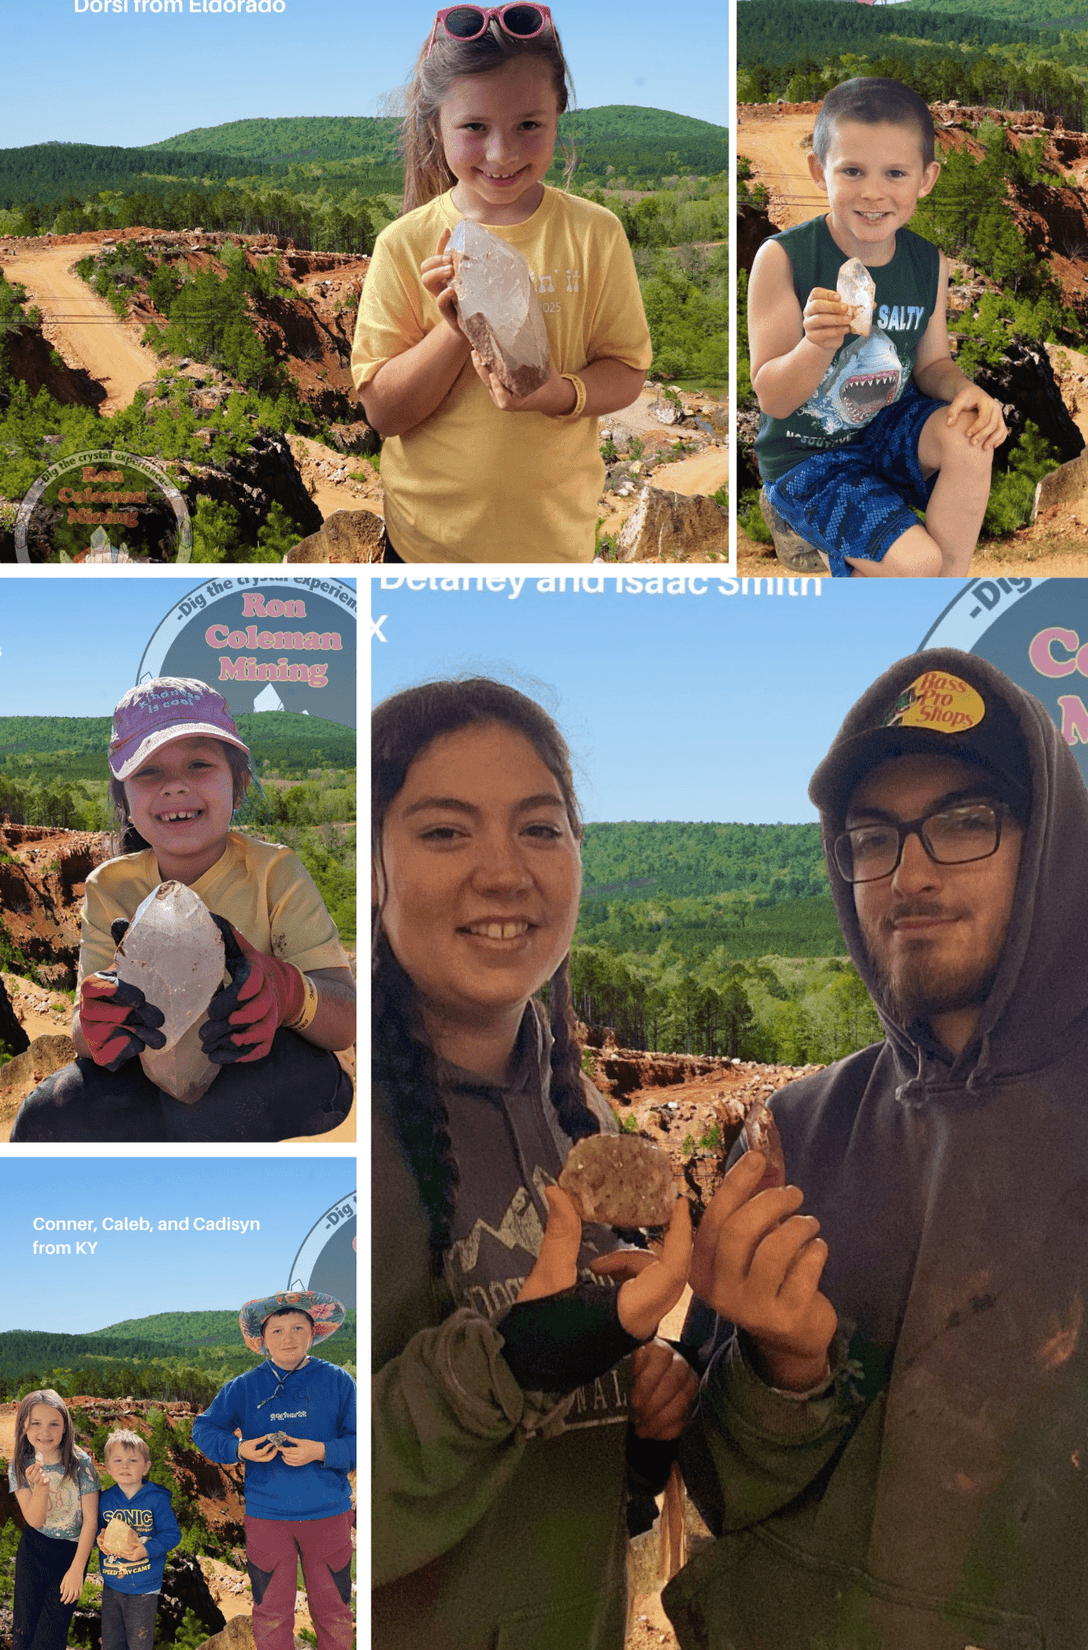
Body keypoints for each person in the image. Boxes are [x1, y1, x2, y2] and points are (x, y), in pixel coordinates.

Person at [663, 649, 1088, 1648]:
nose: (906, 875)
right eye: (870, 837)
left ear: (1052, 846)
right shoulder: (796, 1137)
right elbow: (720, 1488)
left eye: (959, 821)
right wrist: (782, 1370)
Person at [372, 676, 697, 1649]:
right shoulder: (335, 1135)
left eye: (540, 829)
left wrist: (637, 1414)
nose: (503, 871)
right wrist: (512, 1360)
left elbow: (565, 1483)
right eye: (443, 831)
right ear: (371, 868)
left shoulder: (580, 1118)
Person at [351, 6, 652, 564]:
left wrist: (555, 394)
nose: (502, 153)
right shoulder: (404, 243)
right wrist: (459, 329)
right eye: (474, 127)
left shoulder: (594, 233)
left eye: (529, 125)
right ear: (434, 124)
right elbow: (384, 415)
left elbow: (628, 371)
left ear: (559, 115)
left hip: (554, 550)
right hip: (425, 551)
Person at [11, 677, 355, 1143]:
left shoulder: (274, 872)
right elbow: (84, 1035)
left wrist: (287, 991)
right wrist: (96, 1024)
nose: (174, 785)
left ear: (239, 782)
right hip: (154, 1074)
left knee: (209, 1112)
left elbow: (346, 1021)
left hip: (280, 1069)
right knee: (44, 1116)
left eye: (199, 764)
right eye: (148, 772)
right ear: (124, 799)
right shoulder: (109, 886)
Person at [748, 78, 1008, 578]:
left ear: (925, 178)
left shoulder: (926, 261)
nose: (873, 192)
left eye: (895, 173)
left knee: (971, 437)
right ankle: (820, 538)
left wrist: (966, 390)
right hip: (809, 455)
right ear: (816, 170)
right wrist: (817, 346)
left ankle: (942, 605)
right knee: (917, 563)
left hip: (887, 427)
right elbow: (774, 401)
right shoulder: (784, 259)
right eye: (851, 170)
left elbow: (932, 364)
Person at [192, 1290, 356, 1650]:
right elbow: (203, 1428)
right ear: (262, 1340)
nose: (289, 1338)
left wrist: (321, 1451)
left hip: (329, 1516)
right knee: (271, 1614)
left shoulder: (339, 1382)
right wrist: (237, 1448)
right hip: (267, 1519)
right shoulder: (245, 1387)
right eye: (277, 1331)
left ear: (314, 1332)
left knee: (334, 1612)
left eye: (298, 1327)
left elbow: (364, 1441)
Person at [9, 1388, 100, 1650]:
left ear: (65, 1427)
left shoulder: (80, 1462)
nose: (44, 1432)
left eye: (53, 1424)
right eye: (35, 1423)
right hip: (33, 1551)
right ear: (23, 1425)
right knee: (23, 1637)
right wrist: (41, 1487)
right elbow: (35, 1521)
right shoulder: (19, 1464)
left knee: (49, 1639)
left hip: (69, 1556)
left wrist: (76, 1571)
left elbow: (91, 1521)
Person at [96, 1429, 182, 1650]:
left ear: (146, 1467)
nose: (125, 1466)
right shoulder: (105, 1500)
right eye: (118, 1460)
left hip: (144, 1588)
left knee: (139, 1644)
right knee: (112, 1644)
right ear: (107, 1466)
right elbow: (99, 1531)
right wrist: (101, 1539)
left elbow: (172, 1534)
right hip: (112, 1585)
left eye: (133, 1460)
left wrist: (146, 1550)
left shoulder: (156, 1500)